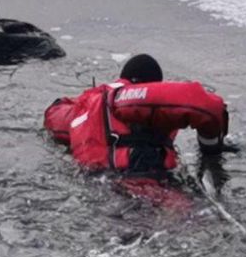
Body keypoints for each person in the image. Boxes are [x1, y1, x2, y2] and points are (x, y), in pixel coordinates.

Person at [43, 54, 232, 206]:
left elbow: (52, 117)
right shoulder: (126, 99)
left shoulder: (82, 108)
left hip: (96, 195)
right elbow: (209, 108)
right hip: (144, 193)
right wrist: (211, 151)